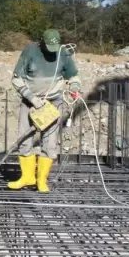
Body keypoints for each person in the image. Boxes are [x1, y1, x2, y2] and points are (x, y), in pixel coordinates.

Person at [7, 29, 82, 193]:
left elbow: (74, 76)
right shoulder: (30, 51)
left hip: (53, 103)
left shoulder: (63, 54)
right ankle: (27, 177)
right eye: (48, 47)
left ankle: (41, 180)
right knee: (24, 139)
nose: (51, 52)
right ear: (41, 42)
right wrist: (32, 98)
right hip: (30, 102)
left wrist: (74, 87)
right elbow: (16, 78)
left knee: (49, 142)